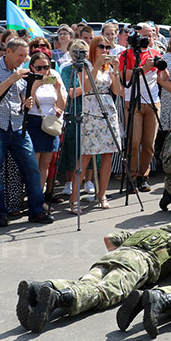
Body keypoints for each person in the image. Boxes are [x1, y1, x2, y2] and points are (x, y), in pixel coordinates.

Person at [16, 220, 171, 334]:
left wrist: (120, 257)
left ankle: (42, 287)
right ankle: (58, 298)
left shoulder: (145, 232)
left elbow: (109, 238)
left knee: (86, 282)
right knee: (104, 292)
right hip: (139, 262)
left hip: (115, 255)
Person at [0, 38, 54, 227]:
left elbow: (21, 98)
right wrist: (12, 78)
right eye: (20, 55)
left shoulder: (23, 72)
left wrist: (25, 103)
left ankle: (36, 211)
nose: (23, 59)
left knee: (32, 169)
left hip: (18, 126)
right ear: (8, 52)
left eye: (25, 55)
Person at [63, 37, 123, 211]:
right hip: (91, 110)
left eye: (108, 47)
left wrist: (116, 69)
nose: (105, 50)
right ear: (94, 48)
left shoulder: (108, 67)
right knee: (86, 155)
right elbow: (87, 88)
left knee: (108, 154)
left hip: (108, 109)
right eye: (102, 47)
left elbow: (117, 90)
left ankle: (101, 193)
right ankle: (74, 197)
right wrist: (97, 66)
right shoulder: (85, 65)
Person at [118, 23, 162, 192]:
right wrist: (144, 68)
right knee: (134, 142)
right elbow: (125, 76)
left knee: (149, 143)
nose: (148, 39)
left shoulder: (156, 53)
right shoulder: (126, 54)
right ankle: (131, 176)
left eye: (151, 35)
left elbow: (163, 77)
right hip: (133, 100)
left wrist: (162, 68)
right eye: (144, 36)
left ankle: (143, 177)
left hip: (153, 101)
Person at [24, 50, 67, 207]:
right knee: (34, 164)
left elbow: (62, 105)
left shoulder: (54, 77)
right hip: (34, 120)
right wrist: (34, 86)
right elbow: (26, 105)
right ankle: (33, 197)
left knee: (45, 164)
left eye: (46, 67)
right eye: (39, 68)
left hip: (50, 122)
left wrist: (57, 87)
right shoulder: (26, 79)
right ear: (32, 67)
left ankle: (39, 197)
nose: (43, 71)